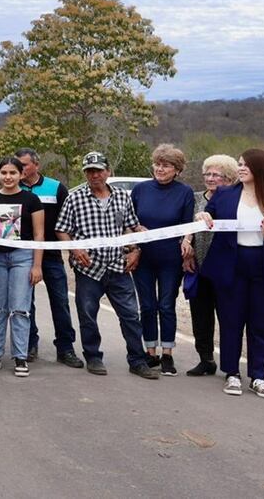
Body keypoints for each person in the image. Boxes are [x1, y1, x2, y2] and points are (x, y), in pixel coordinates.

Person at [198, 148, 264, 399]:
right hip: (232, 266)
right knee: (231, 322)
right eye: (240, 164)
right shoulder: (224, 195)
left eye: (246, 165)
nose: (240, 168)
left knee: (261, 325)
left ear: (260, 169)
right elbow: (211, 217)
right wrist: (204, 215)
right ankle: (232, 373)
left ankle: (258, 377)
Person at [55, 151, 159, 380]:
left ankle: (137, 360)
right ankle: (93, 356)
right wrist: (74, 248)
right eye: (90, 171)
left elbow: (132, 227)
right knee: (88, 315)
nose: (95, 175)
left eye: (99, 170)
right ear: (84, 173)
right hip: (88, 268)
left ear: (108, 172)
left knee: (131, 315)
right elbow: (62, 229)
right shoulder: (75, 198)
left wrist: (136, 251)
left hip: (117, 266)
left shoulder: (122, 197)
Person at [15, 148, 84, 368]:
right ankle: (29, 344)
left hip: (52, 255)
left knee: (60, 302)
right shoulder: (14, 187)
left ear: (36, 164)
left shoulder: (56, 187)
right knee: (26, 303)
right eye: (17, 166)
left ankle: (66, 348)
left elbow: (71, 219)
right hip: (24, 254)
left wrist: (73, 248)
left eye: (24, 165)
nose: (20, 170)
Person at [131, 144, 195, 375]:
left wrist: (187, 241)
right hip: (144, 256)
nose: (160, 169)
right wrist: (137, 228)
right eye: (157, 164)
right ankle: (150, 352)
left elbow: (188, 224)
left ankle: (167, 354)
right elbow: (130, 220)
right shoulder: (140, 189)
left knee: (166, 305)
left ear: (176, 169)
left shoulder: (185, 192)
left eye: (166, 165)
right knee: (147, 306)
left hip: (170, 258)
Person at [0, 157, 44, 377]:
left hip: (22, 257)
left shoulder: (32, 199)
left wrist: (37, 265)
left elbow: (39, 234)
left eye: (13, 173)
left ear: (21, 175)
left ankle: (20, 356)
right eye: (4, 173)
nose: (8, 177)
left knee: (20, 308)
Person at [182, 154, 238, 376]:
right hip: (199, 267)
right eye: (208, 173)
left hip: (226, 269)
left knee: (228, 317)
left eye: (217, 174)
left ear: (229, 177)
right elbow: (184, 226)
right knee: (200, 317)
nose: (211, 178)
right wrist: (186, 247)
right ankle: (205, 359)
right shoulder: (195, 198)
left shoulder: (235, 200)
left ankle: (230, 364)